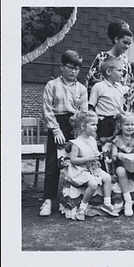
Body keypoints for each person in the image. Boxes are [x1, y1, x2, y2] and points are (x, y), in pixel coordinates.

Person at [40, 50, 88, 217]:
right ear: (61, 67)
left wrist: (79, 133)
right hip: (57, 125)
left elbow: (83, 112)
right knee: (53, 164)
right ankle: (48, 200)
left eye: (77, 68)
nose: (73, 71)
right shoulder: (52, 85)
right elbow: (47, 110)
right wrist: (56, 129)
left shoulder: (81, 89)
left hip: (74, 126)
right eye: (70, 67)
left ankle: (72, 199)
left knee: (74, 163)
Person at [65, 111, 119, 220]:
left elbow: (94, 153)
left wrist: (97, 156)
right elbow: (73, 160)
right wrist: (88, 158)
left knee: (107, 178)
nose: (96, 127)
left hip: (92, 168)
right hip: (80, 170)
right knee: (93, 184)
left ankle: (107, 203)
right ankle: (82, 207)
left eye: (96, 125)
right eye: (93, 125)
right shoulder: (76, 143)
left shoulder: (92, 140)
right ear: (83, 126)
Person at [86, 19, 134, 111]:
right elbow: (90, 81)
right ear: (116, 39)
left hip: (121, 106)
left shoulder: (126, 62)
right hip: (104, 107)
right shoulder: (102, 57)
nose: (127, 46)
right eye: (125, 43)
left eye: (129, 44)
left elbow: (130, 85)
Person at [88, 56, 129, 143]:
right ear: (108, 72)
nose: (122, 73)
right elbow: (91, 108)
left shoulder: (120, 87)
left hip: (117, 122)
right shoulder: (99, 87)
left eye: (122, 71)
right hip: (104, 123)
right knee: (104, 145)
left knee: (117, 144)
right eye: (119, 70)